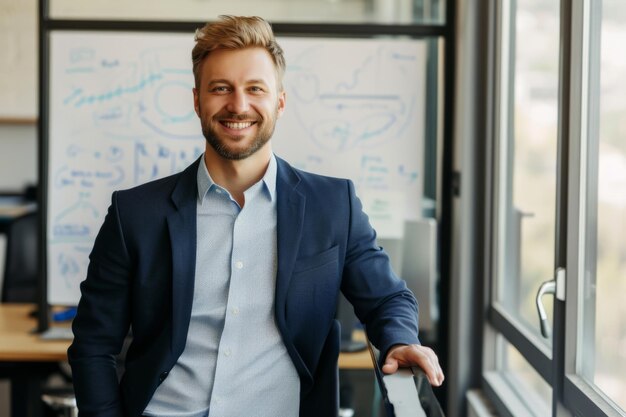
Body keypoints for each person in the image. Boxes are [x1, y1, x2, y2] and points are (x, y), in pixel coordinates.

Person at [68, 15, 444, 417]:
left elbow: (388, 298)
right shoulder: (134, 215)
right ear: (197, 100)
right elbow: (93, 344)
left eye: (255, 89)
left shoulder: (333, 205)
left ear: (279, 102)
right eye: (221, 89)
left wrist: (399, 341)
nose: (238, 105)